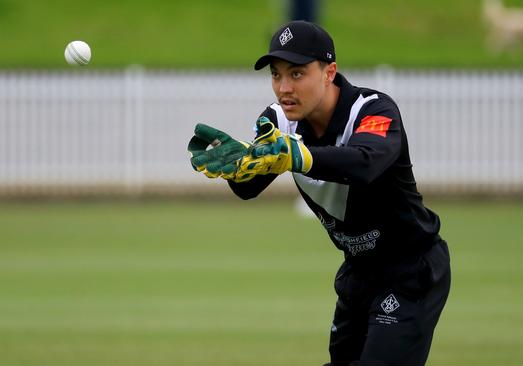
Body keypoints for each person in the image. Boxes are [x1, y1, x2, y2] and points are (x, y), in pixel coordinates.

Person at [188, 20, 451, 366]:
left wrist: (300, 156)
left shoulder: (373, 109)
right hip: (358, 274)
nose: (283, 88)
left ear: (329, 72)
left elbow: (365, 162)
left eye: (296, 74)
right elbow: (247, 188)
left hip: (410, 270)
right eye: (276, 75)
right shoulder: (278, 120)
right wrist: (239, 163)